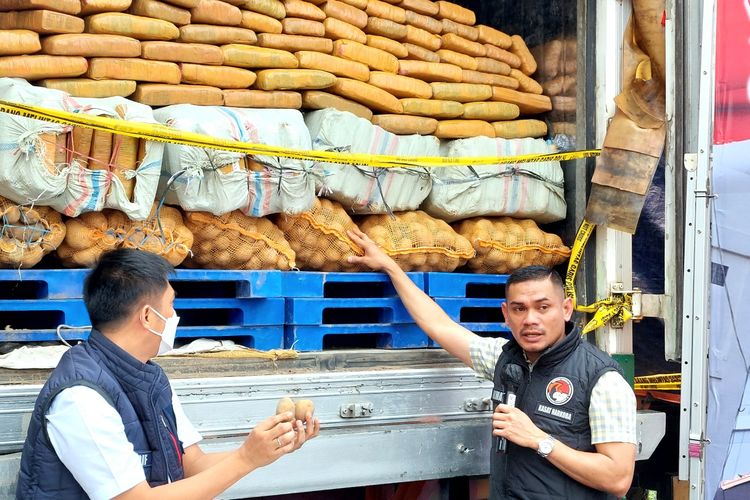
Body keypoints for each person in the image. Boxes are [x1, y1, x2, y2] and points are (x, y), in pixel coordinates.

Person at [347, 228, 637, 500]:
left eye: (543, 307)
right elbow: (439, 325)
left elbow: (617, 477)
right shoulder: (504, 358)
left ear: (566, 309)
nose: (530, 319)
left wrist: (539, 440)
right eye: (519, 309)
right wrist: (391, 267)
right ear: (506, 314)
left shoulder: (601, 378)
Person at [16, 249, 320, 499]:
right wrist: (246, 459)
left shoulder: (151, 378)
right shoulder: (81, 397)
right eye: (171, 306)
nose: (174, 317)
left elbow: (193, 464)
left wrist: (267, 448)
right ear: (148, 316)